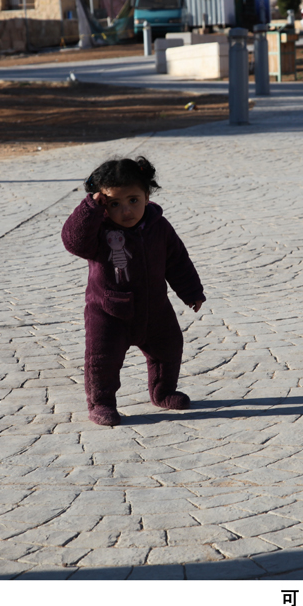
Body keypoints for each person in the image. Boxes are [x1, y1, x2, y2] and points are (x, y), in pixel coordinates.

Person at [62, 157, 205, 426]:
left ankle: (163, 391)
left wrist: (191, 291)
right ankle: (101, 402)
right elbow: (74, 243)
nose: (126, 210)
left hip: (155, 308)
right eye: (114, 203)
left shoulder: (159, 226)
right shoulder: (98, 230)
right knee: (103, 359)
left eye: (133, 200)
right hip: (109, 311)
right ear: (103, 203)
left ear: (147, 196)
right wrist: (89, 209)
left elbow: (177, 260)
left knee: (169, 348)